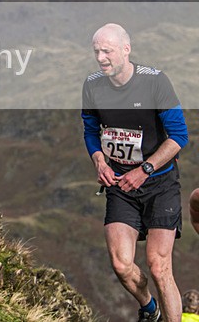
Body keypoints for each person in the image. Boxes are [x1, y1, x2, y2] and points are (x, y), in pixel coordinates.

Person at [82, 23, 188, 322]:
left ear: (126, 50)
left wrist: (145, 169)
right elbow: (91, 131)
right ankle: (149, 308)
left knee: (159, 266)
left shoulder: (154, 83)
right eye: (96, 52)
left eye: (107, 51)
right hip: (121, 185)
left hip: (159, 184)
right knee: (121, 264)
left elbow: (179, 136)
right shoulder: (92, 85)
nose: (101, 58)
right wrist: (100, 162)